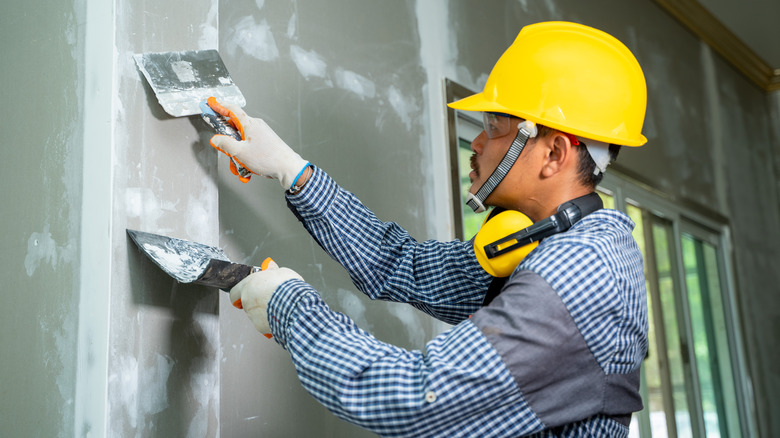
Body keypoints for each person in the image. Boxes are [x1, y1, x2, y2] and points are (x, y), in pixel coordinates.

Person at [210, 21, 649, 437]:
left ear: (554, 153)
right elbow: (403, 265)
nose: (477, 143)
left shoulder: (578, 275)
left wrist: (289, 306)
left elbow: (418, 399)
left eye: (495, 126)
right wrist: (291, 169)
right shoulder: (537, 242)